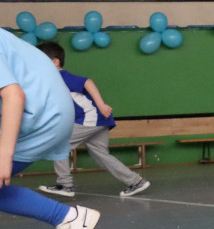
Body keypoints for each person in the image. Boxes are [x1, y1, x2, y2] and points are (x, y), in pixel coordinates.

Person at [0, 28, 101, 229]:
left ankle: (69, 218)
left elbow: (14, 95)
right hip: (48, 110)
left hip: (42, 114)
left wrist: (4, 155)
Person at [36, 42, 150, 199]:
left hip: (91, 118)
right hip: (98, 120)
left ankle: (65, 185)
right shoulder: (50, 80)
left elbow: (87, 82)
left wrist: (101, 104)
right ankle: (136, 181)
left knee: (59, 144)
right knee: (100, 154)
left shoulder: (60, 76)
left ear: (55, 62)